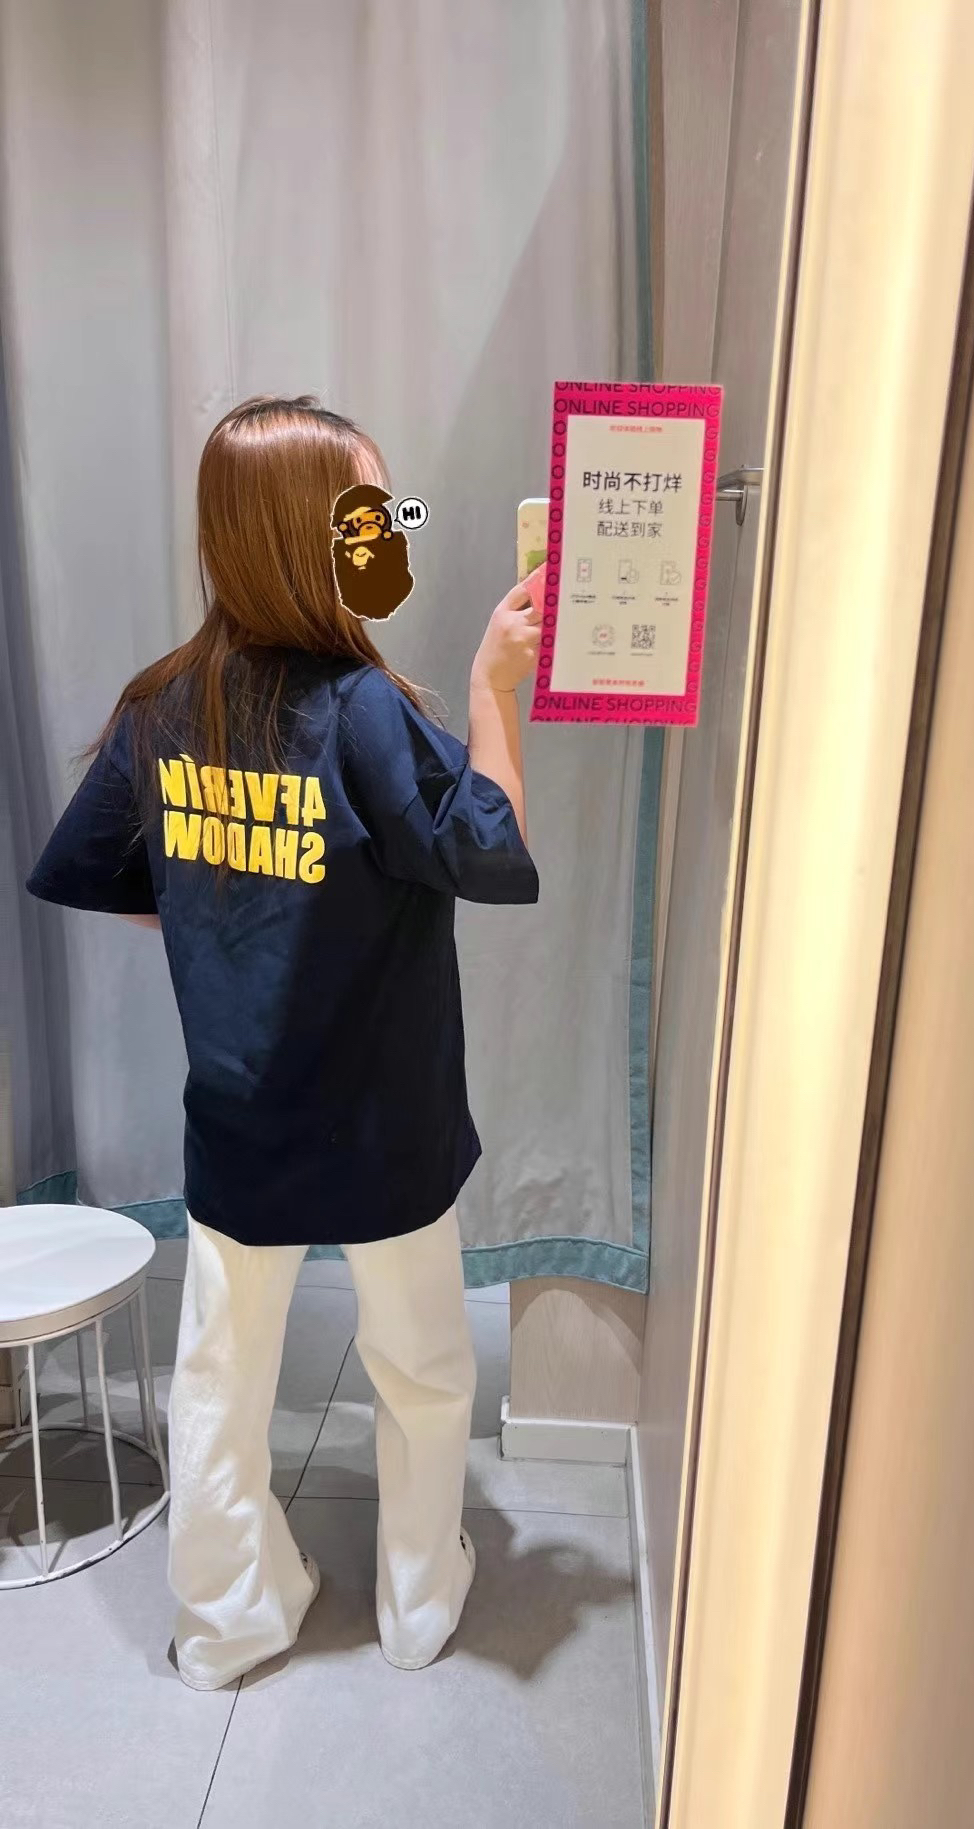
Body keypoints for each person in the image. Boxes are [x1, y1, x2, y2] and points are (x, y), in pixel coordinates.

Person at [26, 395, 542, 1689]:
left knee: (218, 1378)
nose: (391, 530)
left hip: (242, 1116)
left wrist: (229, 922)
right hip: (385, 1121)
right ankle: (418, 1603)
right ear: (306, 540)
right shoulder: (365, 713)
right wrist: (493, 687)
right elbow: (489, 848)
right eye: (370, 515)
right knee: (421, 1366)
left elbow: (105, 873)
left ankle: (228, 1624)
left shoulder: (161, 707)